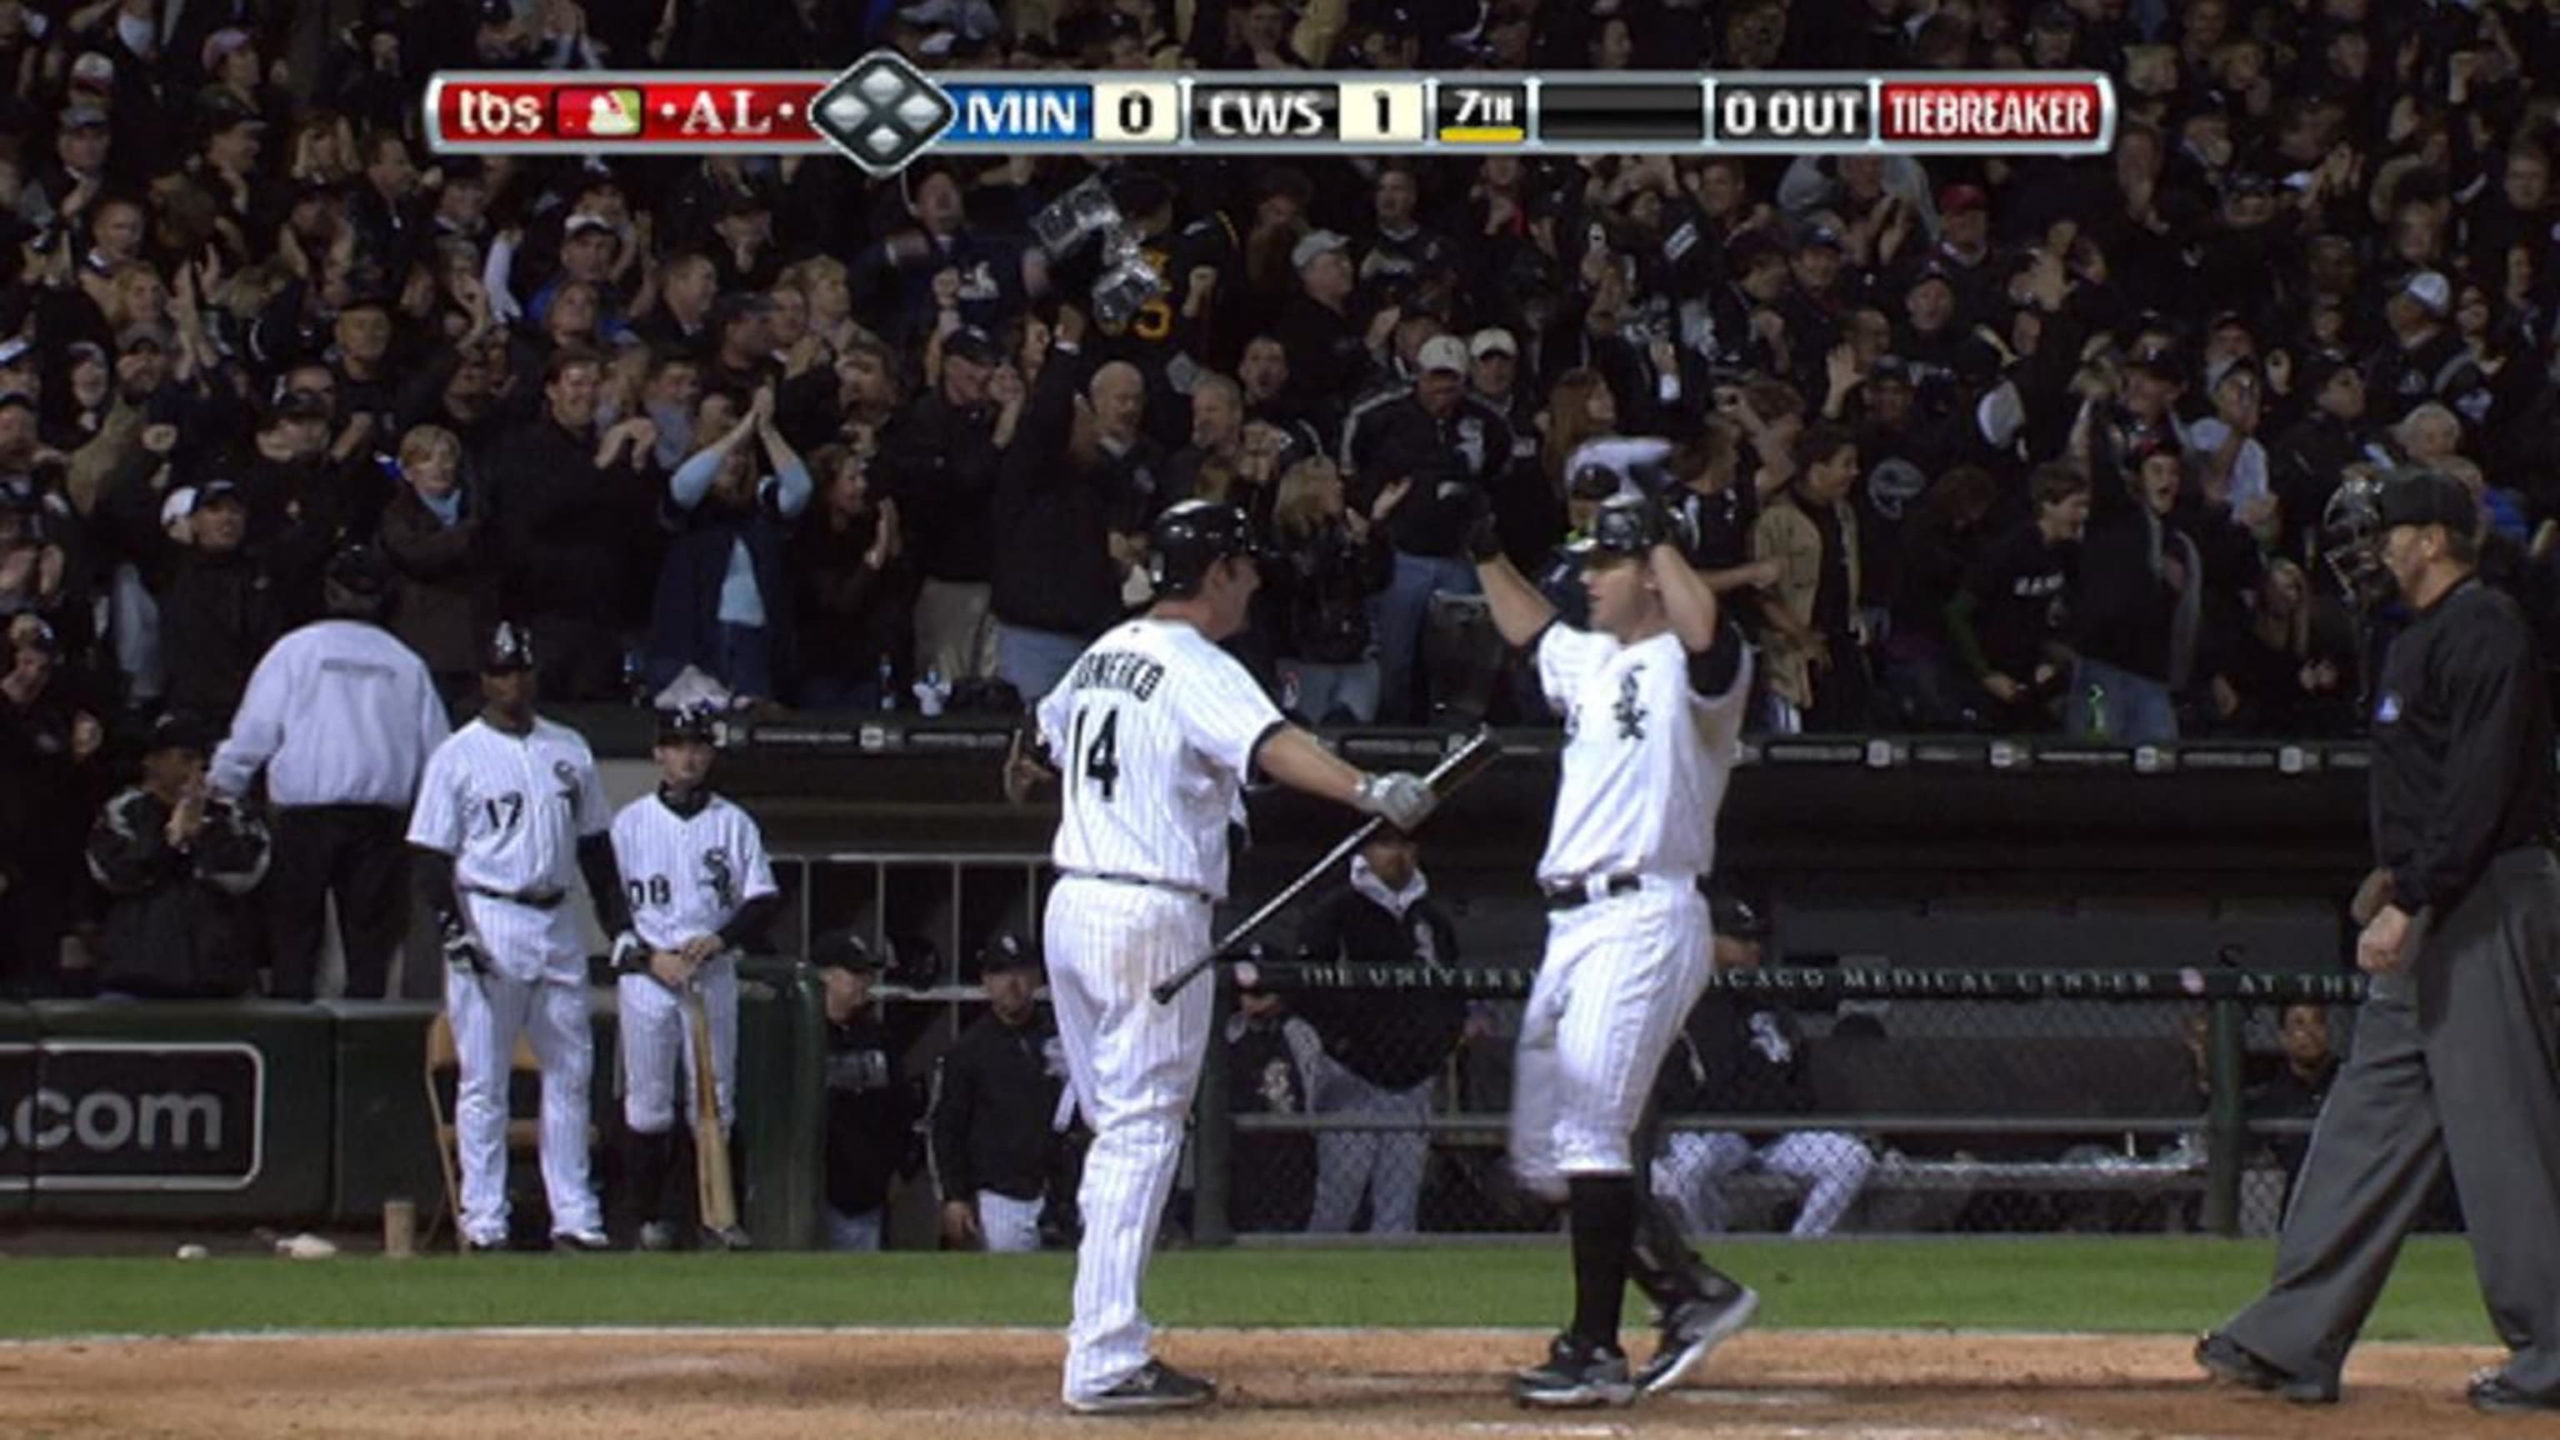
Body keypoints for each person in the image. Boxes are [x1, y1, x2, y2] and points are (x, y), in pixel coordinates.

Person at [1005, 498, 1438, 1414]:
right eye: (1243, 567)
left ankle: (1102, 1328)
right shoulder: (1195, 661)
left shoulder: (1105, 649)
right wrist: (1369, 790)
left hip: (1074, 899)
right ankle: (1104, 1355)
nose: (1252, 583)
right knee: (1141, 1129)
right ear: (1215, 573)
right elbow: (1275, 746)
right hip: (1149, 907)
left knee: (1116, 1127)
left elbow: (1032, 750)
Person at [2198, 470, 2560, 1415]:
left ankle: (2555, 1351)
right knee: (2368, 1120)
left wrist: (2420, 890)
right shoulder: (2415, 635)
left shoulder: (2484, 626)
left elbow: (2482, 782)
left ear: (2434, 538)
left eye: (2387, 532)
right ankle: (2292, 1338)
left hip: (2484, 897)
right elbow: (2431, 785)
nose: (2372, 551)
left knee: (2502, 1129)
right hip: (2435, 893)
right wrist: (2395, 878)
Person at [1469, 490, 1760, 1407]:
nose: (1587, 578)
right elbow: (1531, 634)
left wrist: (1660, 539)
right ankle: (1688, 1290)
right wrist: (1482, 550)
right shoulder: (1597, 659)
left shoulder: (1700, 667)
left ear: (1652, 574)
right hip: (1572, 922)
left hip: (1645, 912)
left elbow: (1710, 638)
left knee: (1592, 1131)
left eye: (1606, 563)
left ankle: (1594, 1349)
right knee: (1544, 1159)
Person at [406, 622, 629, 1253]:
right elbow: (429, 857)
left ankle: (575, 1217)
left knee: (572, 1071)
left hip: (556, 917)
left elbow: (595, 849)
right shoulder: (458, 754)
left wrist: (618, 927)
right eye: (502, 672)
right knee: (484, 1078)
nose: (513, 683)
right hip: (490, 912)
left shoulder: (569, 748)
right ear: (484, 679)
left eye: (522, 671)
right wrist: (454, 932)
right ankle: (484, 1220)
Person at [210, 543, 449, 999]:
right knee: (369, 948)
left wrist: (222, 786)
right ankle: (364, 1035)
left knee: (295, 940)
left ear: (330, 590)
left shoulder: (296, 651)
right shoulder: (405, 662)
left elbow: (254, 732)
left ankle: (293, 1032)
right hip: (380, 821)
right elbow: (438, 755)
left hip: (306, 819)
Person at [607, 705, 779, 1251]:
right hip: (650, 976)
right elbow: (611, 905)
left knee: (716, 1099)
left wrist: (722, 938)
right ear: (659, 753)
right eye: (678, 745)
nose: (689, 756)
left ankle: (719, 1219)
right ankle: (647, 1220)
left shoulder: (733, 822)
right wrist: (648, 956)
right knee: (648, 1103)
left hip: (711, 972)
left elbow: (762, 899)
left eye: (699, 746)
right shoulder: (630, 823)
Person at [1293, 826, 1465, 1236]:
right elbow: (1305, 987)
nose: (1398, 854)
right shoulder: (1335, 911)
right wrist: (1340, 1043)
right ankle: (1316, 1270)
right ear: (1364, 851)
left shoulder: (1431, 919)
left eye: (1405, 844)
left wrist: (1438, 1047)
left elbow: (1454, 991)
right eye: (1386, 844)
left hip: (1415, 1080)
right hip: (1351, 1075)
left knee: (1399, 1205)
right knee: (1339, 1196)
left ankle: (1393, 1273)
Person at [84, 714, 271, 1000]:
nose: (198, 769)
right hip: (135, 978)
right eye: (186, 758)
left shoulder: (231, 812)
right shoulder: (124, 810)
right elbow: (114, 873)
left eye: (205, 760)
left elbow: (247, 873)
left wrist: (201, 835)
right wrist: (169, 840)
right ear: (152, 761)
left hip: (219, 978)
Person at [930, 933, 1073, 1255]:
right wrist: (954, 1196)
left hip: (1063, 1190)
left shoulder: (1062, 1036)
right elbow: (946, 1129)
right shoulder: (968, 1049)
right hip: (1000, 1196)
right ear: (986, 981)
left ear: (1036, 977)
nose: (1012, 983)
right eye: (1001, 973)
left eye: (1021, 971)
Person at [816, 930, 915, 1251]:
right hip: (811, 1189)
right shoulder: (796, 1033)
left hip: (864, 1191)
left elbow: (900, 1107)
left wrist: (900, 1168)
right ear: (826, 975)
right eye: (854, 973)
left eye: (867, 974)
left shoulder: (878, 1037)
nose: (864, 982)